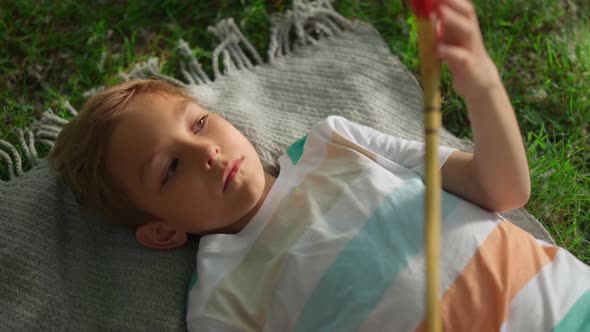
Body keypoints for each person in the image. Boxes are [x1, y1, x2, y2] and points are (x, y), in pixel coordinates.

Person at [48, 0, 590, 330]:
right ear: (164, 231)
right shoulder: (220, 301)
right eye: (170, 169)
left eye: (198, 123)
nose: (207, 153)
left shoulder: (334, 142)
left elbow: (503, 190)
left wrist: (481, 85)